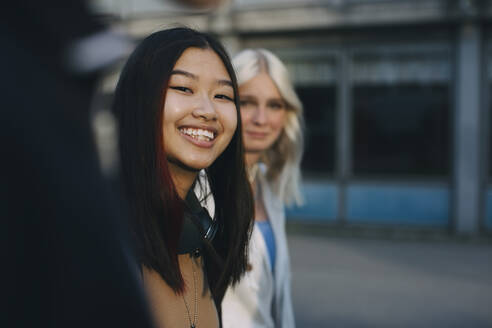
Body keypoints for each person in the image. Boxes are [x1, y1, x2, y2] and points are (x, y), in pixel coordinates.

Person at [112, 27, 254, 328]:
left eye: (222, 95)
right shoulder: (100, 235)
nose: (207, 110)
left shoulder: (201, 237)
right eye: (183, 89)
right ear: (139, 99)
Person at [221, 49, 304, 328]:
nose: (261, 119)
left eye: (274, 105)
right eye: (246, 102)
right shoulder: (202, 188)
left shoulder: (269, 184)